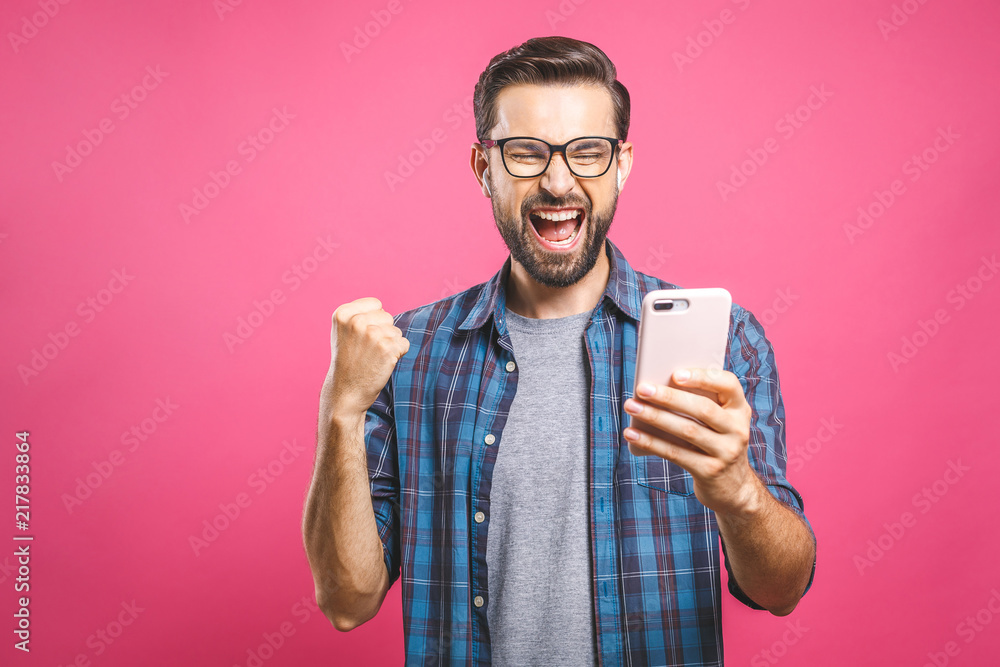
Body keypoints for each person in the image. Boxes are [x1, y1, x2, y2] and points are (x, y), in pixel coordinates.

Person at [302, 36, 816, 666]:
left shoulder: (727, 342)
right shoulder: (411, 356)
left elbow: (782, 590)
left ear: (622, 164)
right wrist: (341, 410)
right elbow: (346, 599)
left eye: (588, 152)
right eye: (524, 153)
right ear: (482, 167)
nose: (557, 180)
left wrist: (737, 491)